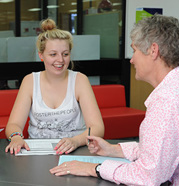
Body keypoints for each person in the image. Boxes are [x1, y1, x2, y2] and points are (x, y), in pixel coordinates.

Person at [49, 14, 179, 186]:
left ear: (153, 51)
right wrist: (113, 150)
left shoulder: (168, 100)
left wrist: (93, 168)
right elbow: (163, 150)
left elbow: (149, 175)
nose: (131, 60)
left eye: (134, 50)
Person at [5, 18, 104, 155]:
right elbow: (13, 124)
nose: (60, 60)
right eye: (53, 54)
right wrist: (16, 137)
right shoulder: (30, 81)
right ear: (41, 55)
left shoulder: (80, 80)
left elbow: (97, 127)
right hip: (37, 153)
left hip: (75, 150)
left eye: (65, 54)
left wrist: (76, 141)